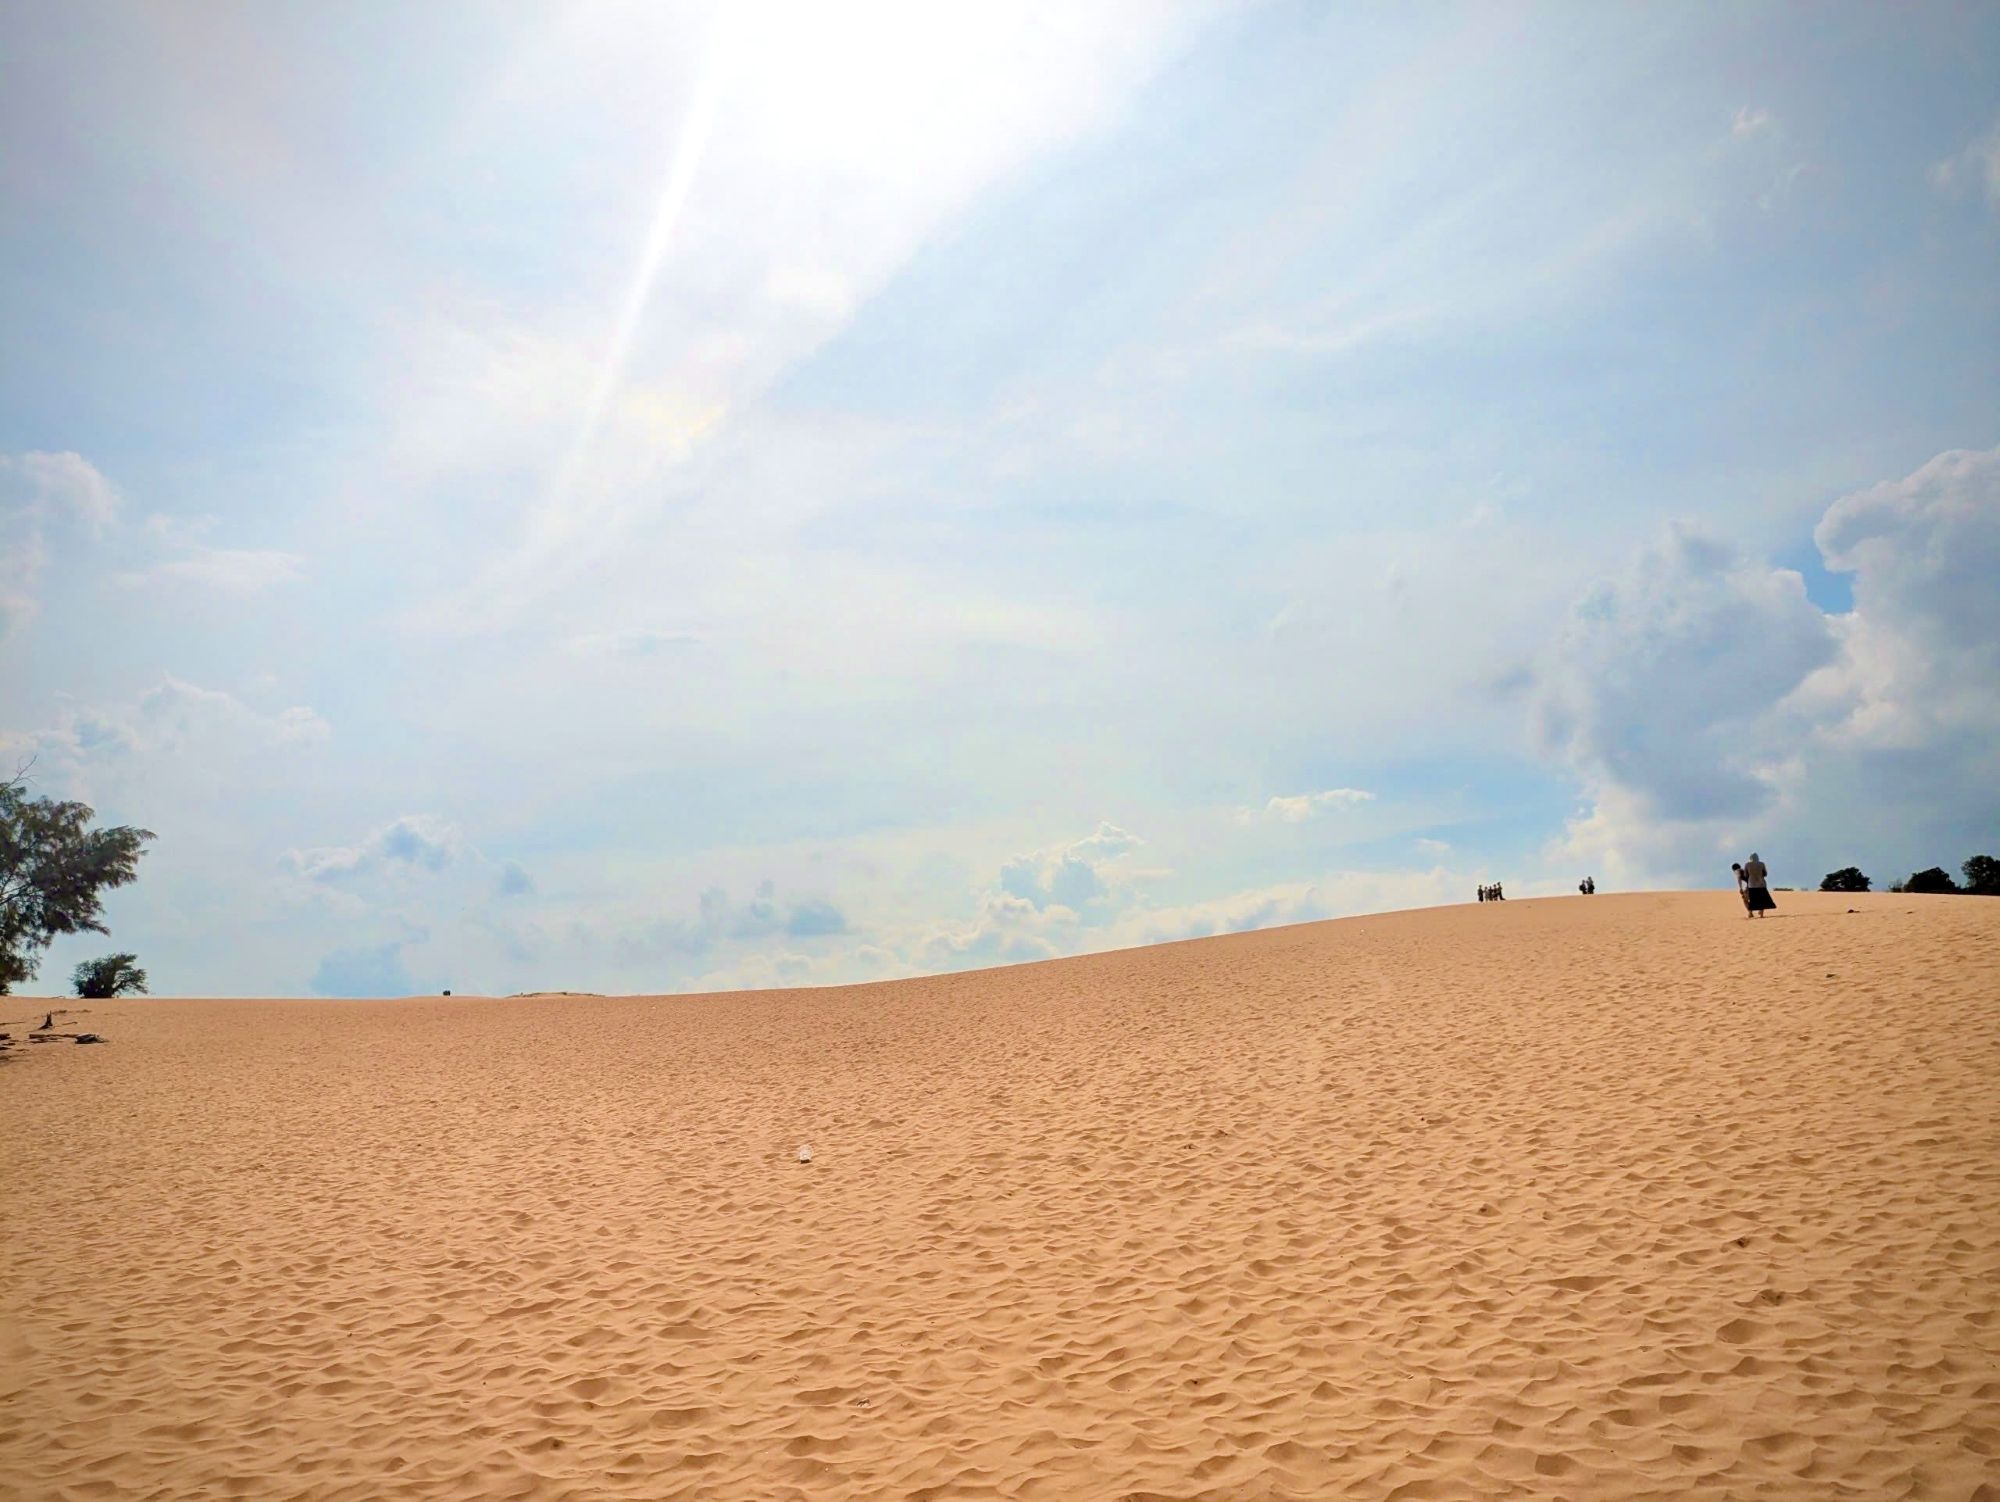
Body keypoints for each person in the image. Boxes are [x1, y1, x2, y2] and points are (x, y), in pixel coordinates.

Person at [1741, 852, 1775, 917]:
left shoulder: (1747, 864)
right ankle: (1761, 914)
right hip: (1761, 884)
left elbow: (1745, 875)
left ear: (1750, 858)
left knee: (1748, 899)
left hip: (1751, 884)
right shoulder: (1762, 864)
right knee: (1761, 899)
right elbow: (1765, 874)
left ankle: (1750, 912)